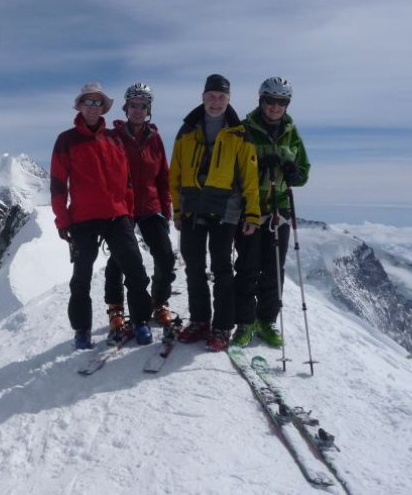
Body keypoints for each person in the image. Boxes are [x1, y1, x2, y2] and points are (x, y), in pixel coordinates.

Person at [51, 82, 154, 350]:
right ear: (80, 105)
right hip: (84, 218)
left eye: (98, 102)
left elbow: (127, 180)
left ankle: (141, 321)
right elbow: (58, 186)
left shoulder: (114, 138)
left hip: (117, 214)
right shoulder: (66, 140)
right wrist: (63, 222)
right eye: (88, 101)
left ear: (104, 107)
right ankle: (82, 330)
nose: (93, 106)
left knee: (134, 268)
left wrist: (128, 212)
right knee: (81, 276)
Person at [169, 74, 260, 352]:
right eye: (211, 96)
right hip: (192, 209)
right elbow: (176, 172)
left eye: (221, 97)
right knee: (194, 268)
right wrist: (176, 208)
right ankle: (199, 321)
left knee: (221, 269)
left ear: (229, 99)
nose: (216, 102)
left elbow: (249, 177)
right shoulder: (187, 131)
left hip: (226, 210)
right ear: (203, 97)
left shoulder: (239, 133)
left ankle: (221, 326)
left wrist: (253, 214)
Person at [232, 77, 311, 348]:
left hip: (281, 208)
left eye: (282, 102)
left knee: (274, 269)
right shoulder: (244, 129)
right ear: (261, 100)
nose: (275, 107)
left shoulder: (291, 132)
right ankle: (245, 321)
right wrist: (257, 165)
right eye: (271, 100)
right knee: (247, 266)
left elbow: (304, 172)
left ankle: (266, 320)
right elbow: (233, 170)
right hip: (251, 208)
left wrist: (294, 172)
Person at [104, 83, 178, 340]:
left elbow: (163, 177)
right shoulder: (113, 137)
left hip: (149, 205)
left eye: (143, 105)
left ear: (149, 109)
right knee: (120, 258)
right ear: (126, 107)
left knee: (166, 257)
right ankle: (115, 308)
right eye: (133, 105)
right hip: (122, 206)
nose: (138, 109)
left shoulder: (154, 138)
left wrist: (166, 210)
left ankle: (159, 302)